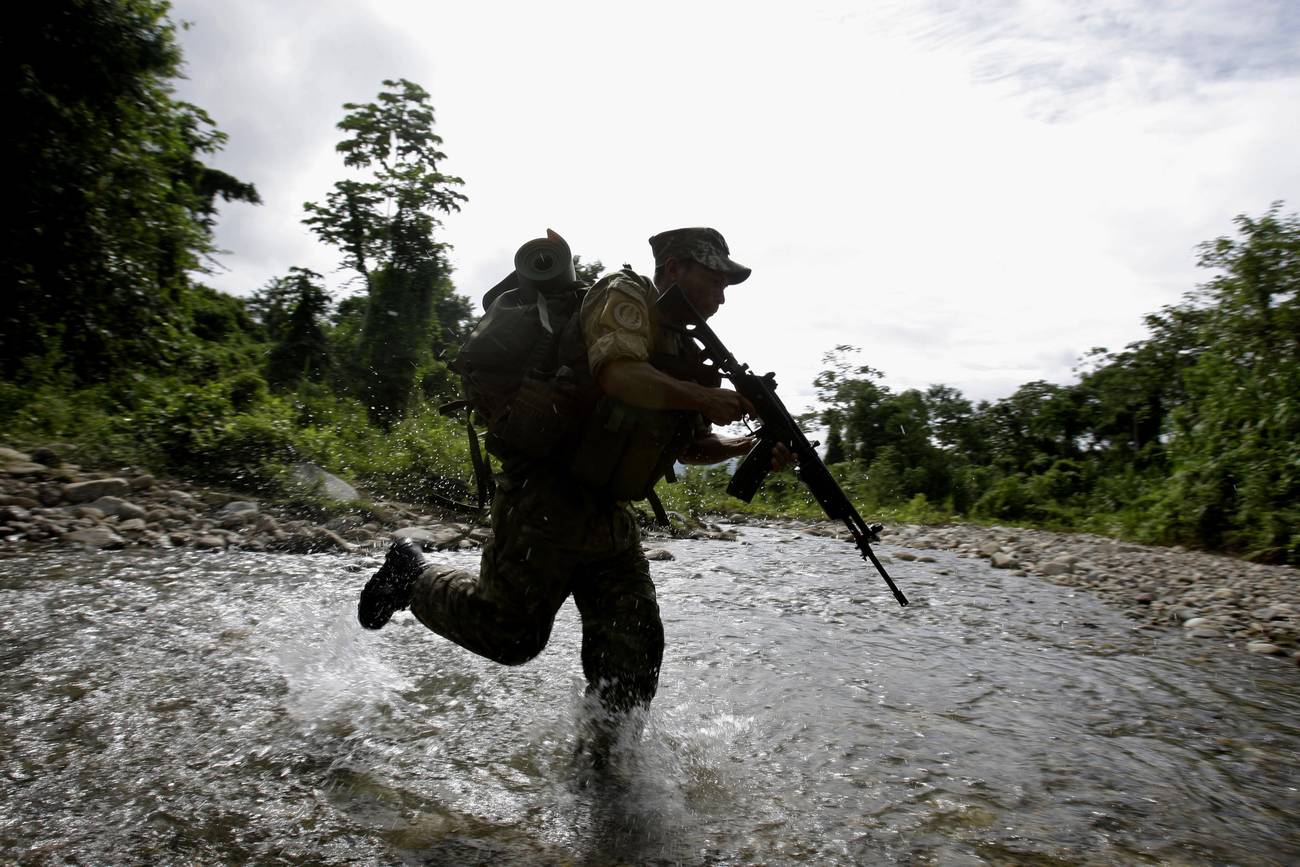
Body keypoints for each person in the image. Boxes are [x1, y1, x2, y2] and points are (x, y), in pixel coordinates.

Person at [357, 227, 790, 767]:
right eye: (716, 278)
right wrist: (708, 395)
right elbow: (618, 375)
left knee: (633, 654)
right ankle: (411, 575)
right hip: (547, 496)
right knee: (511, 635)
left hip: (610, 516)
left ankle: (602, 775)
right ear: (675, 267)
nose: (723, 294)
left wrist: (746, 443)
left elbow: (690, 444)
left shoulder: (681, 344)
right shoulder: (623, 295)